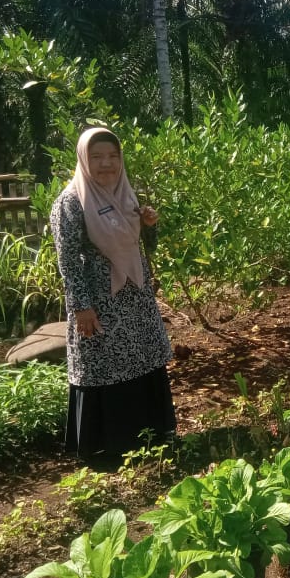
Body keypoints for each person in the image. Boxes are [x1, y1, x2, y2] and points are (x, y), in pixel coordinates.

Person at [50, 127, 176, 460]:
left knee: (143, 362)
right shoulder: (71, 203)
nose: (106, 163)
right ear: (83, 159)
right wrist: (81, 307)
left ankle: (150, 438)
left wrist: (150, 226)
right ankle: (109, 448)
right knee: (106, 366)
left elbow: (143, 246)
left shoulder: (126, 195)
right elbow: (67, 260)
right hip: (100, 303)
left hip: (135, 299)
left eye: (112, 156)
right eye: (97, 157)